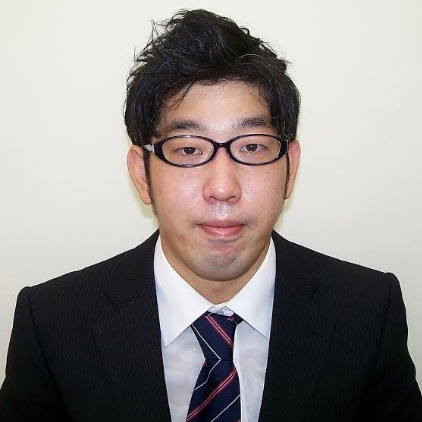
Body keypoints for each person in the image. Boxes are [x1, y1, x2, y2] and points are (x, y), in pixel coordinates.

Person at [0, 8, 421, 422]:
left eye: (252, 147)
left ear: (290, 168)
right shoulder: (52, 323)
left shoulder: (368, 312)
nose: (222, 187)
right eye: (188, 149)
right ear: (142, 175)